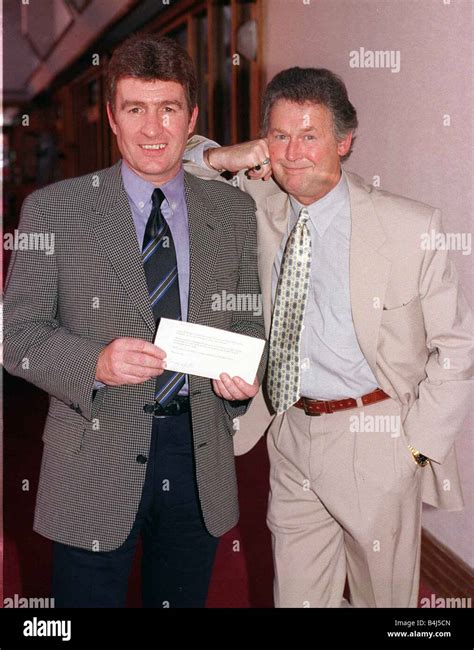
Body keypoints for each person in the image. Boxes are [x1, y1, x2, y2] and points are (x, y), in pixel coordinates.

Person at [184, 67, 473, 607]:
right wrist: (232, 156)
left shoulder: (409, 226)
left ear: (345, 141)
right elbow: (174, 159)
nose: (293, 153)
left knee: (382, 602)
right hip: (290, 431)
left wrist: (415, 448)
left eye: (309, 136)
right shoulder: (261, 199)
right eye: (279, 135)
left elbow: (457, 347)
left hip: (377, 435)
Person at [3, 33, 265, 608]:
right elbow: (14, 336)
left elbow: (248, 325)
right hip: (93, 452)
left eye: (168, 108)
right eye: (135, 109)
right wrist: (93, 361)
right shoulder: (56, 209)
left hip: (198, 455)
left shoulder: (234, 211)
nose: (153, 129)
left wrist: (244, 385)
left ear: (191, 117)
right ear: (113, 119)